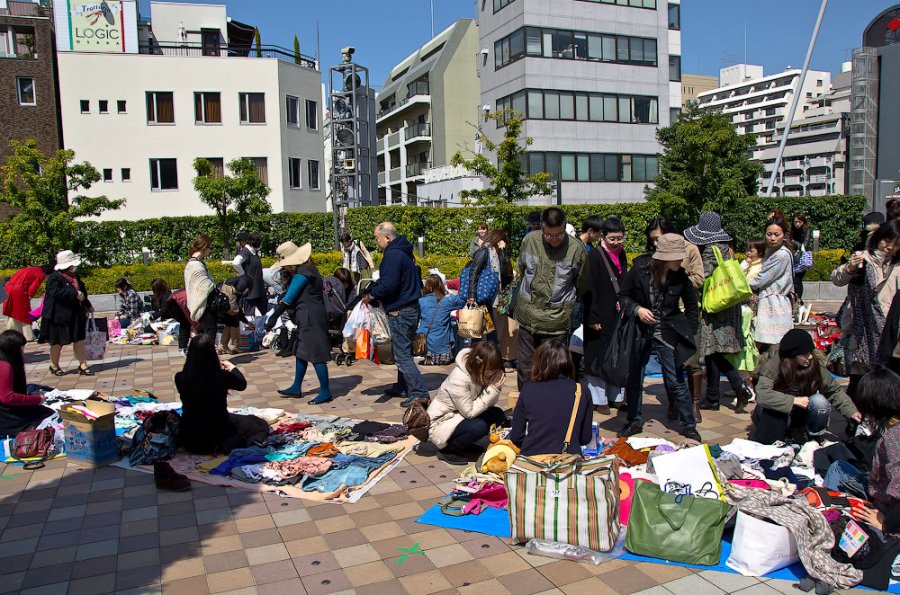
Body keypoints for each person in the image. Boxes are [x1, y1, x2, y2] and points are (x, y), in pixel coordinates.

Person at [617, 234, 702, 441]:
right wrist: (637, 310)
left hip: (668, 332)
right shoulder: (639, 270)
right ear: (663, 257)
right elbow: (623, 296)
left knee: (676, 380)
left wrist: (687, 333)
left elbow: (692, 306)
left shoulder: (680, 275)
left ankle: (688, 424)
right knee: (635, 376)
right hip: (640, 331)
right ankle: (634, 421)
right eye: (676, 258)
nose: (680, 261)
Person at [684, 211, 755, 414]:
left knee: (714, 352)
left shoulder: (710, 250)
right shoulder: (728, 249)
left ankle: (739, 387)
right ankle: (713, 397)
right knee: (714, 352)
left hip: (715, 306)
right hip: (728, 303)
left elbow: (704, 276)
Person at [513, 207, 587, 389]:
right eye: (548, 235)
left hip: (557, 322)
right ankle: (528, 406)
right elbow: (521, 269)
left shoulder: (576, 249)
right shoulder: (529, 240)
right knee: (525, 368)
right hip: (528, 318)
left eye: (559, 234)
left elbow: (582, 284)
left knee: (554, 370)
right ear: (542, 228)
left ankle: (551, 407)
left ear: (565, 227)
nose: (554, 239)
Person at [753, 329, 861, 445]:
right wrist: (794, 400)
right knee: (768, 410)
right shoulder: (774, 364)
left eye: (811, 352)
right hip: (778, 410)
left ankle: (815, 435)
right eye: (805, 354)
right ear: (793, 355)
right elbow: (762, 394)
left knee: (820, 402)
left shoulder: (815, 365)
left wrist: (851, 411)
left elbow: (834, 390)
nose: (810, 357)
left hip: (803, 410)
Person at [831, 218, 900, 397]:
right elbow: (837, 279)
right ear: (878, 237)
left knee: (885, 386)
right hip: (861, 332)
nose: (890, 247)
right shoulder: (862, 258)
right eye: (887, 240)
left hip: (888, 331)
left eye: (897, 243)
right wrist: (850, 267)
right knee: (859, 385)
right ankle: (855, 421)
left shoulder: (898, 265)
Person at [646, 217, 705, 421]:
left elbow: (699, 278)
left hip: (682, 316)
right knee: (669, 364)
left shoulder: (690, 250)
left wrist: (679, 283)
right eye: (653, 240)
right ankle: (674, 403)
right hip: (661, 319)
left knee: (691, 361)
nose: (656, 242)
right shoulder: (650, 261)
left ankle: (694, 403)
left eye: (659, 238)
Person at [364, 222, 428, 407]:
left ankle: (419, 393)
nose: (377, 242)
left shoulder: (392, 255)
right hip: (411, 307)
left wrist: (371, 295)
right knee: (403, 350)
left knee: (402, 355)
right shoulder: (404, 252)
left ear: (387, 237)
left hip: (400, 310)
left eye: (377, 238)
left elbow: (389, 284)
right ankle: (402, 386)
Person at [175, 333, 269, 455]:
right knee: (259, 424)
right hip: (218, 432)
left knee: (238, 420)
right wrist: (232, 367)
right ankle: (232, 445)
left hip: (189, 434)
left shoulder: (180, 377)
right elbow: (242, 384)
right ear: (211, 354)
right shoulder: (220, 377)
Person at [266, 242, 332, 404]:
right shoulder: (306, 270)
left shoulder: (304, 273)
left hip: (312, 316)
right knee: (301, 351)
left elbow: (289, 298)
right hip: (306, 315)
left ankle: (325, 391)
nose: (285, 268)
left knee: (316, 354)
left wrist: (274, 316)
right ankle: (296, 386)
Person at [426, 341, 507, 465]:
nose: (493, 373)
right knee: (479, 426)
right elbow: (469, 413)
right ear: (479, 363)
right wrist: (493, 389)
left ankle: (464, 444)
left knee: (497, 414)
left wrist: (495, 388)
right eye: (491, 370)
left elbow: (487, 404)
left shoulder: (481, 371)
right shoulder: (459, 378)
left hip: (458, 415)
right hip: (440, 422)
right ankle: (448, 450)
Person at [509, 339, 592, 456]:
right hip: (568, 462)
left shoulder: (528, 389)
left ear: (539, 363)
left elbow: (516, 436)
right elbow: (585, 438)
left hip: (533, 460)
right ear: (568, 363)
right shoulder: (581, 391)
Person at [583, 216, 628, 414]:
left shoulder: (622, 253)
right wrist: (592, 318)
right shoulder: (594, 256)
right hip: (599, 313)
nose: (617, 242)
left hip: (617, 313)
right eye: (613, 239)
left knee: (616, 355)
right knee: (597, 357)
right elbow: (589, 288)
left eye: (620, 238)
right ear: (603, 236)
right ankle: (598, 399)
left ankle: (616, 397)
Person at [43, 250, 94, 376]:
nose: (74, 268)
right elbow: (54, 293)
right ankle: (54, 365)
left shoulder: (76, 276)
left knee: (79, 339)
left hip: (76, 314)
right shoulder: (55, 278)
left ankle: (83, 364)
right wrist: (74, 293)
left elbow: (82, 292)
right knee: (58, 342)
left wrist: (88, 305)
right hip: (59, 316)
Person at [750, 216, 795, 351]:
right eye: (769, 234)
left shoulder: (781, 255)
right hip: (770, 303)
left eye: (777, 234)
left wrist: (739, 283)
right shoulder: (771, 252)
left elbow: (760, 279)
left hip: (775, 305)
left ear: (784, 235)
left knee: (775, 344)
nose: (772, 238)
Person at [0, 330, 54, 438]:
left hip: (7, 412)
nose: (23, 350)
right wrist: (37, 399)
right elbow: (7, 397)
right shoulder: (5, 366)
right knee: (48, 415)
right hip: (7, 417)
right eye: (21, 347)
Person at [417, 274, 465, 365]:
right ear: (441, 286)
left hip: (426, 343)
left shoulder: (421, 302)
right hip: (443, 344)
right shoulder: (447, 301)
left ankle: (428, 358)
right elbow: (463, 300)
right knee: (453, 325)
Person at [2, 264, 52, 341]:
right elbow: (34, 286)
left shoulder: (28, 269)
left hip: (8, 288)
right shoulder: (40, 274)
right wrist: (29, 296)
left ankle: (12, 332)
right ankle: (28, 336)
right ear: (47, 274)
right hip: (19, 291)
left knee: (11, 311)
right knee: (24, 314)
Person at [184, 235, 218, 342]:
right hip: (202, 303)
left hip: (203, 302)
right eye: (210, 248)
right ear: (204, 247)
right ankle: (208, 357)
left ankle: (204, 356)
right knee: (210, 331)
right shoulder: (195, 265)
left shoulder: (196, 263)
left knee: (206, 331)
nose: (210, 251)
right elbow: (204, 286)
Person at [233, 232, 266, 318]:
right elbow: (236, 263)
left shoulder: (253, 252)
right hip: (251, 291)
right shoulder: (246, 251)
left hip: (259, 289)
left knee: (264, 314)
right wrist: (243, 275)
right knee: (249, 316)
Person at [217, 275, 252, 354]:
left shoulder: (232, 280)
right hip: (230, 302)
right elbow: (238, 295)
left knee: (228, 324)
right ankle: (235, 347)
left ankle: (222, 346)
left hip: (223, 302)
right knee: (234, 324)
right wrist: (246, 321)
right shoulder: (246, 280)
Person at [792, 212, 813, 302]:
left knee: (797, 279)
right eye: (796, 222)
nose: (797, 224)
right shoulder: (791, 230)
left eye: (799, 222)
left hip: (801, 258)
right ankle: (796, 298)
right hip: (793, 256)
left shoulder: (807, 230)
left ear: (803, 222)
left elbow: (805, 245)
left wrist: (794, 242)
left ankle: (799, 299)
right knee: (793, 279)